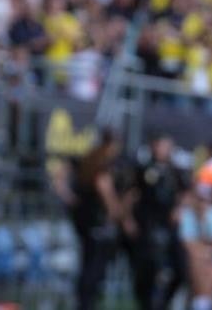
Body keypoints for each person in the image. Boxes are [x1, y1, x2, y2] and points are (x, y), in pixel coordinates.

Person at [73, 130, 135, 310]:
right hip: (97, 222)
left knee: (88, 266)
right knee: (95, 269)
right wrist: (117, 210)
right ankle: (86, 305)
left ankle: (84, 303)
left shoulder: (89, 160)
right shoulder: (101, 165)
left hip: (85, 220)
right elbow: (105, 190)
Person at [130, 134, 187, 310]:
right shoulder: (144, 170)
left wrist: (179, 208)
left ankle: (163, 303)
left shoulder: (174, 170)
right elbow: (132, 195)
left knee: (180, 270)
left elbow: (184, 192)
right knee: (149, 270)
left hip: (169, 227)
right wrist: (128, 219)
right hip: (148, 226)